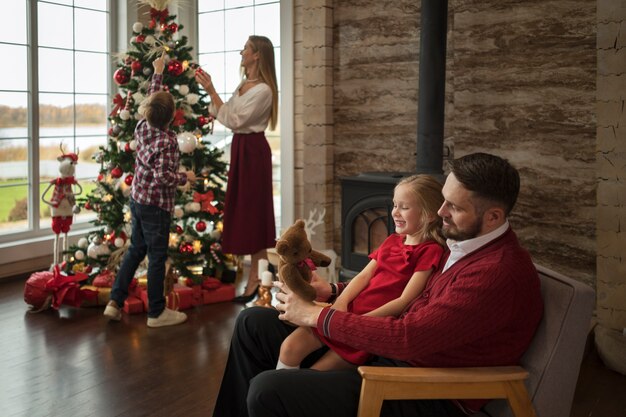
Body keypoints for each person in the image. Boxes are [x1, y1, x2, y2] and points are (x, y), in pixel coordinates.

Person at [210, 152, 544, 417]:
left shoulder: (495, 274)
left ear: (494, 217)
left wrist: (318, 316)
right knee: (253, 323)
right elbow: (397, 287)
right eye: (443, 200)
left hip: (420, 389)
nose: (440, 212)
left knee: (269, 390)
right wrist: (334, 293)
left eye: (454, 207)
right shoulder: (462, 243)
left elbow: (408, 338)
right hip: (388, 354)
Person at [277, 174, 446, 371]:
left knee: (316, 373)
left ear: (430, 214)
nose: (395, 212)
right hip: (346, 312)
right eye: (394, 205)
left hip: (367, 327)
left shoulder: (431, 251)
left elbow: (403, 301)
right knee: (289, 347)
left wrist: (361, 322)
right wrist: (340, 302)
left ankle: (291, 396)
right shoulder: (391, 241)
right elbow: (363, 276)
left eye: (404, 207)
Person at [103, 52, 196, 328]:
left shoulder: (143, 127)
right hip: (156, 207)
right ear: (171, 118)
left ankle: (114, 301)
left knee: (135, 250)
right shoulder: (167, 142)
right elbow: (163, 177)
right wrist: (184, 176)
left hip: (138, 200)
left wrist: (158, 72)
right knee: (156, 257)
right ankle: (156, 312)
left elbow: (151, 100)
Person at [195, 35, 278, 303]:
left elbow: (234, 118)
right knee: (245, 211)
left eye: (246, 49)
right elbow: (226, 112)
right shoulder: (245, 85)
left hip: (253, 152)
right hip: (241, 150)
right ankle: (262, 271)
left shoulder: (263, 90)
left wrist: (212, 90)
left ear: (257, 56)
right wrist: (215, 102)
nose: (241, 52)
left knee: (252, 212)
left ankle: (256, 278)